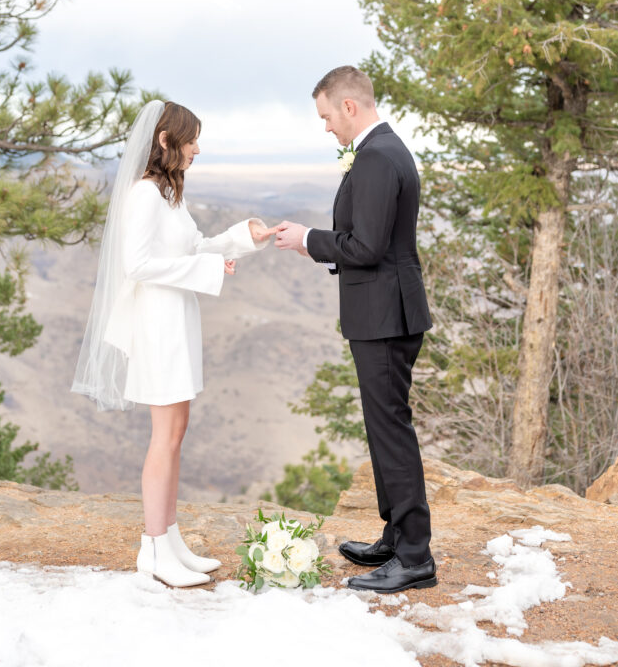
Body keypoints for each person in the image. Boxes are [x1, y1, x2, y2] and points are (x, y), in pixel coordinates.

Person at [72, 100, 276, 588]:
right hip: (156, 323)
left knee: (176, 431)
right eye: (190, 140)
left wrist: (242, 239)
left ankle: (168, 540)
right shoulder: (143, 194)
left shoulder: (169, 194)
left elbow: (193, 247)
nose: (196, 149)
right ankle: (153, 546)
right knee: (163, 437)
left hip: (177, 318)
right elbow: (137, 265)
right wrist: (205, 267)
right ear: (165, 141)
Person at [274, 66, 436, 595]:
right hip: (385, 312)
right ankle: (395, 536)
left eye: (325, 116)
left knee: (391, 429)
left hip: (384, 317)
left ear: (349, 107)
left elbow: (364, 247)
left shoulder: (375, 157)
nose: (325, 129)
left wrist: (308, 238)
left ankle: (415, 556)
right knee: (383, 424)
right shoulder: (386, 150)